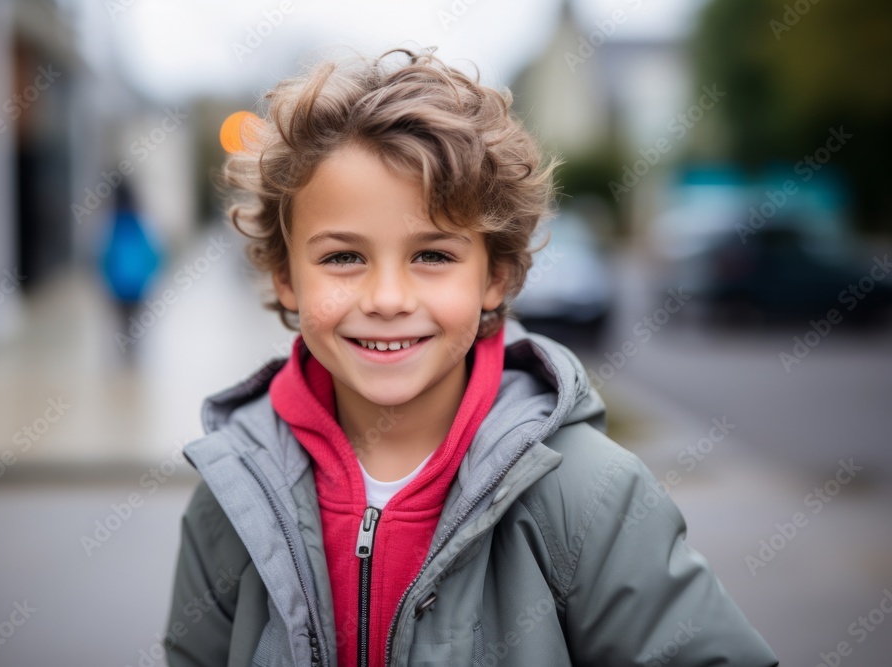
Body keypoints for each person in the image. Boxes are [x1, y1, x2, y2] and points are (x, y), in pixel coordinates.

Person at [162, 46, 778, 667]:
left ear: (496, 276)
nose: (387, 298)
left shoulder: (590, 496)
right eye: (343, 257)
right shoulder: (234, 495)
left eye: (432, 255)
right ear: (286, 276)